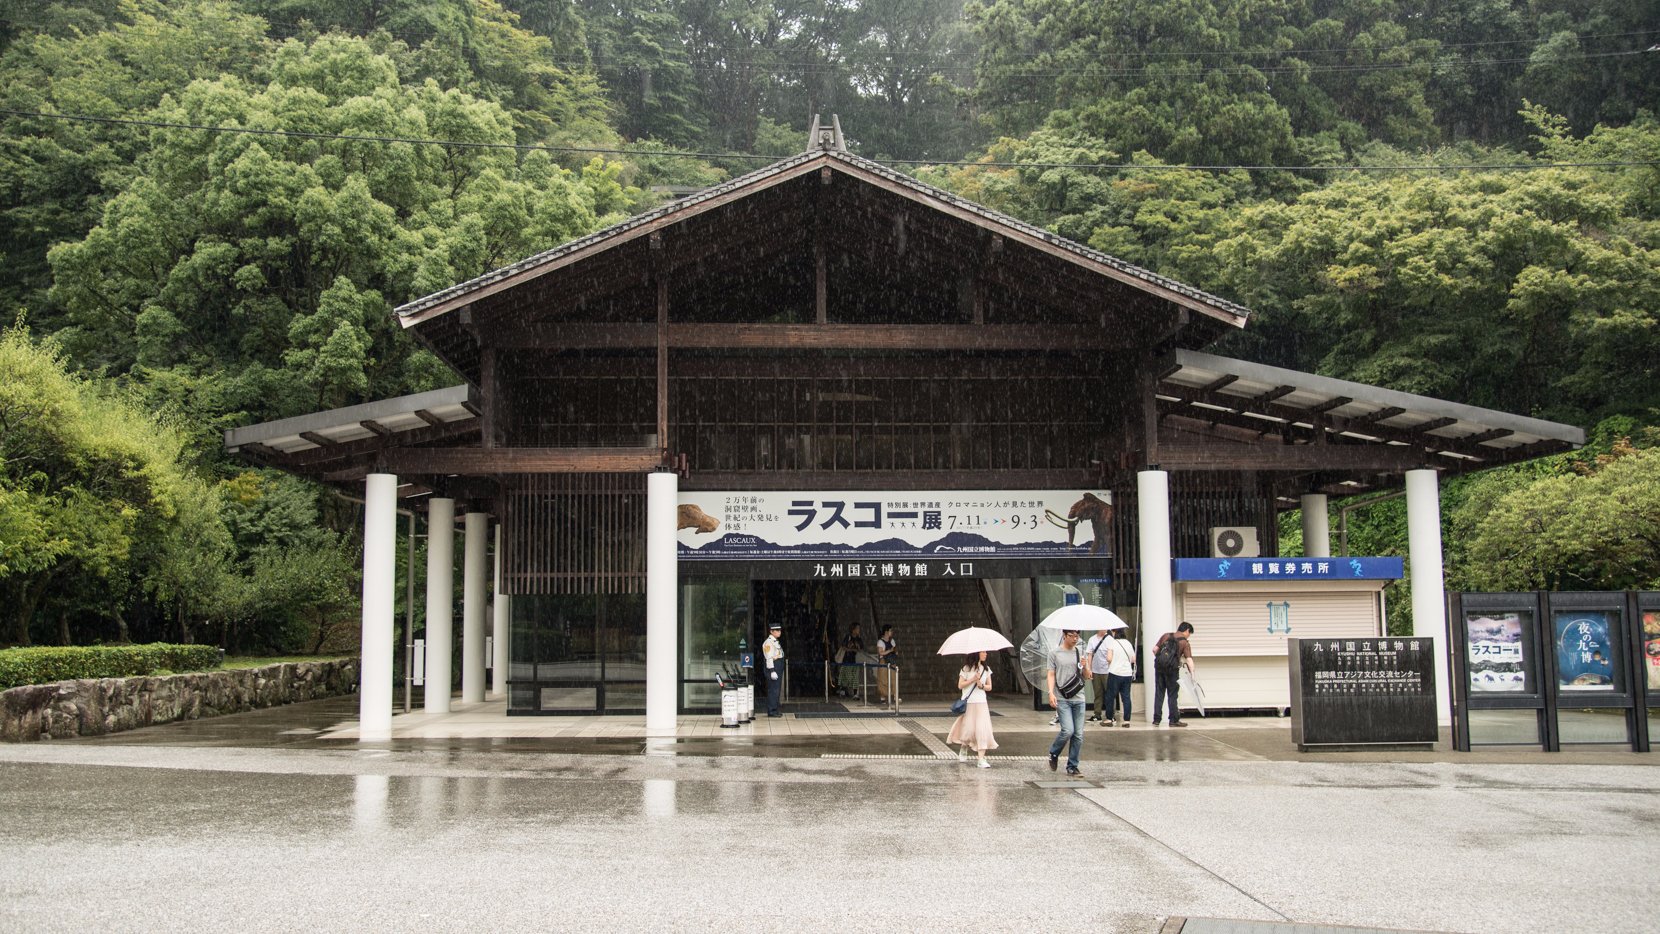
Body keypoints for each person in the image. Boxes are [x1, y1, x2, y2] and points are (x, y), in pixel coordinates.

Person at [1046, 629, 1088, 776]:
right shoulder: (1054, 653)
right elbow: (1050, 674)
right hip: (1062, 698)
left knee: (1078, 735)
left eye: (1077, 636)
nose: (1075, 639)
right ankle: (1054, 752)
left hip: (1079, 698)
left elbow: (1088, 676)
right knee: (1068, 730)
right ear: (1064, 636)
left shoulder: (1080, 653)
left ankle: (1072, 766)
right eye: (1071, 636)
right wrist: (1051, 693)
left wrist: (1085, 665)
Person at [946, 651, 997, 768]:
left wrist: (982, 686)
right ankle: (964, 747)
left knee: (982, 730)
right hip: (969, 703)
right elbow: (960, 685)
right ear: (976, 654)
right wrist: (973, 679)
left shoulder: (986, 669)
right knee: (968, 730)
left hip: (981, 703)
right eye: (983, 652)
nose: (986, 654)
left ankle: (981, 759)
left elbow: (990, 687)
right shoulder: (966, 668)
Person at [1152, 622, 1195, 727]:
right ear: (1187, 630)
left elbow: (1154, 650)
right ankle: (1173, 720)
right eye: (1190, 633)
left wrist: (1162, 660)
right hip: (1172, 670)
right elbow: (1189, 660)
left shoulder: (1166, 636)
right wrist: (1192, 674)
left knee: (1159, 693)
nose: (1189, 635)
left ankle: (1156, 720)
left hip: (1160, 669)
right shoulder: (1184, 642)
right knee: (1172, 695)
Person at [1105, 629, 1135, 728]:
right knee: (1126, 697)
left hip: (1115, 672)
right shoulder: (1128, 643)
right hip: (1127, 674)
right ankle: (1126, 721)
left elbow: (1109, 658)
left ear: (1115, 633)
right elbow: (1133, 659)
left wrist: (1112, 662)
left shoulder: (1112, 643)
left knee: (1110, 696)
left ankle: (1109, 719)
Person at [1084, 628, 1114, 724]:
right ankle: (1097, 714)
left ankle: (1111, 715)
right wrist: (1089, 669)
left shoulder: (1110, 639)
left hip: (1107, 671)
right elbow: (1089, 655)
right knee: (1097, 693)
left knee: (1109, 693)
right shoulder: (1092, 639)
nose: (1104, 628)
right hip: (1096, 671)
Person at [762, 622, 785, 717]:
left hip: (778, 666)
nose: (779, 632)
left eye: (779, 630)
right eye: (777, 630)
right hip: (773, 667)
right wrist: (772, 671)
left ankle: (774, 709)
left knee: (776, 689)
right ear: (771, 631)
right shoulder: (768, 642)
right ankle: (771, 711)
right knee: (773, 689)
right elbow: (769, 657)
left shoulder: (775, 641)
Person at [839, 622, 865, 699]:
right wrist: (851, 649)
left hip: (855, 659)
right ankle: (843, 691)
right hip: (847, 659)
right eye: (857, 628)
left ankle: (855, 693)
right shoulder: (848, 637)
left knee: (855, 676)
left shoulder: (858, 638)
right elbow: (843, 647)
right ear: (853, 630)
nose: (858, 630)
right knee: (846, 675)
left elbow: (861, 648)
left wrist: (857, 648)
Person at [875, 624, 899, 704]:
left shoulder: (892, 640)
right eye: (890, 630)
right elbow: (880, 652)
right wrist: (890, 650)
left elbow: (895, 650)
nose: (892, 632)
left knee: (894, 678)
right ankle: (883, 697)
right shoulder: (880, 641)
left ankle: (895, 696)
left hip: (891, 661)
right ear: (886, 632)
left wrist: (895, 652)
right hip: (883, 661)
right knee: (883, 679)